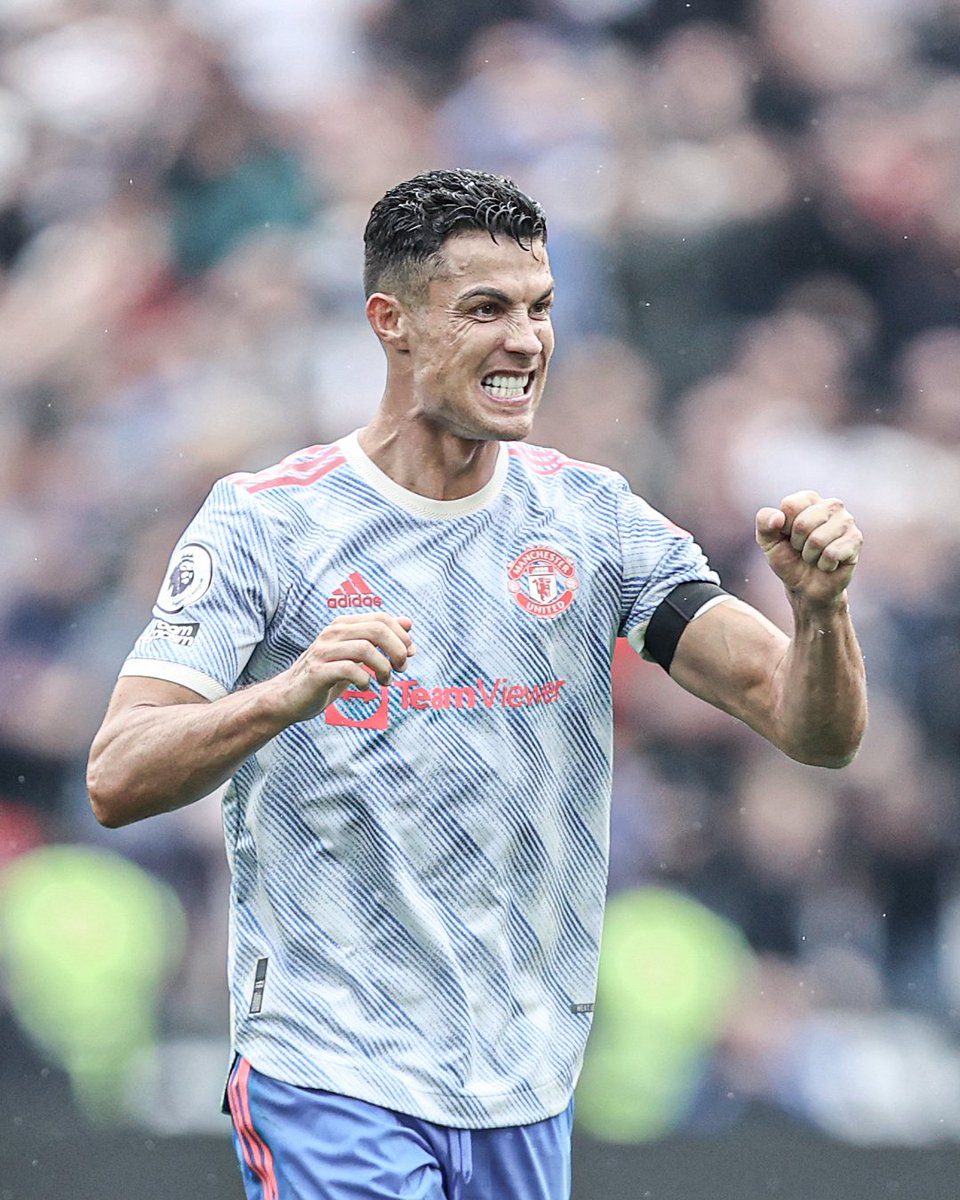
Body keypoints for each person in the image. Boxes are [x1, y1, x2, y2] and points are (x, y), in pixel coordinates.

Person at [86, 168, 867, 1200]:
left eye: (541, 309)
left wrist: (818, 613)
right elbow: (116, 772)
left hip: (524, 1084)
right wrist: (284, 696)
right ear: (392, 322)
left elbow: (810, 729)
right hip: (330, 1069)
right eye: (487, 309)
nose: (527, 341)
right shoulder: (266, 524)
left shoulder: (595, 523)